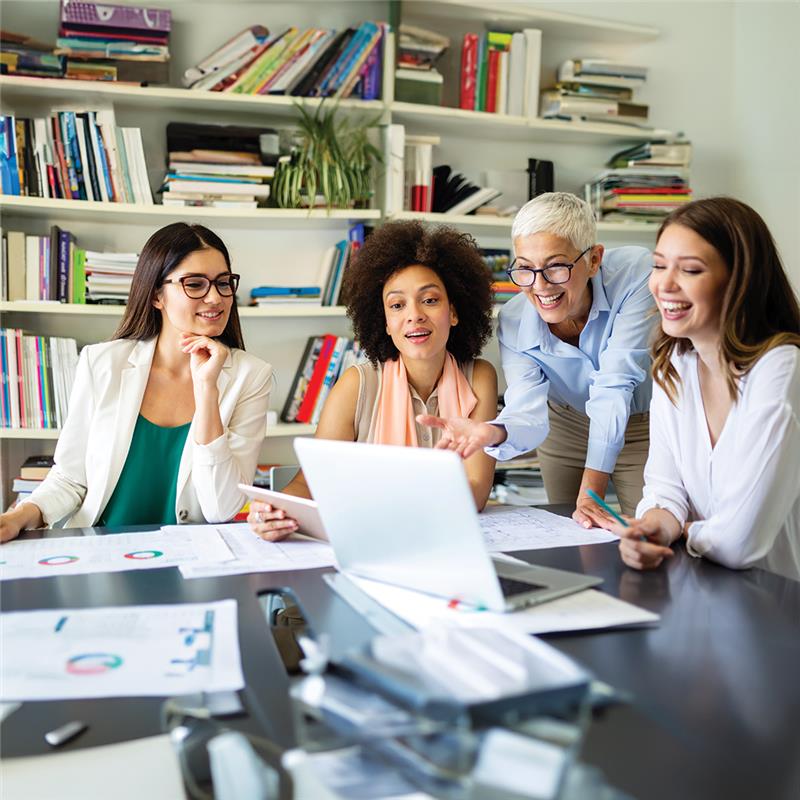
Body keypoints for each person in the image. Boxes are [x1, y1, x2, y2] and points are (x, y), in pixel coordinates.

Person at [0, 223, 273, 542]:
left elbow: (221, 508)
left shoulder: (251, 376)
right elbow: (70, 479)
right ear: (157, 295)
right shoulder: (101, 363)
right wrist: (17, 517)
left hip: (194, 560)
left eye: (223, 283)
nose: (215, 298)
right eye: (195, 284)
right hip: (102, 553)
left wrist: (207, 389)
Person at [248, 220, 498, 540]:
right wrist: (276, 512)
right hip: (374, 541)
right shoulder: (357, 385)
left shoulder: (480, 377)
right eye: (397, 305)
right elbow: (310, 483)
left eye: (430, 300)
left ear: (454, 311)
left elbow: (476, 493)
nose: (414, 315)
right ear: (386, 323)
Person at [419, 192, 655, 527]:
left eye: (556, 266)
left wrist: (592, 489)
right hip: (566, 424)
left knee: (648, 533)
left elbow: (616, 383)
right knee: (568, 532)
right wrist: (493, 433)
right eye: (525, 269)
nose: (539, 285)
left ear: (593, 259)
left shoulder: (636, 276)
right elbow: (527, 407)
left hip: (641, 423)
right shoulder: (514, 321)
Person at [604, 197, 800, 580]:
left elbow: (740, 543)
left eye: (690, 270)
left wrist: (685, 529)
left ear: (740, 280)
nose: (664, 284)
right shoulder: (673, 365)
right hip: (706, 590)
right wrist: (653, 527)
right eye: (659, 265)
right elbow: (664, 489)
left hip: (778, 604)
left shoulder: (780, 367)